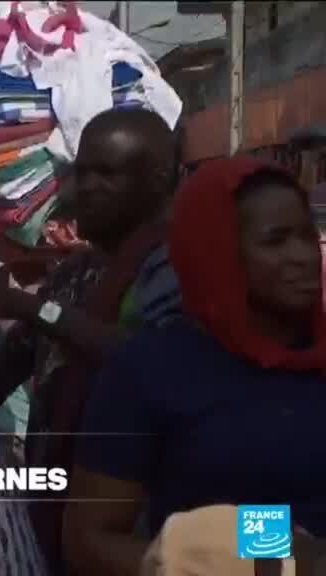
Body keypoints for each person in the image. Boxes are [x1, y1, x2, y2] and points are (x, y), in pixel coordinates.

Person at [0, 107, 183, 573]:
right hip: (60, 529)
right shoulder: (72, 276)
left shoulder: (176, 267)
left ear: (158, 179)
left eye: (104, 173)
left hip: (147, 533)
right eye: (79, 172)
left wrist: (21, 305)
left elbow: (152, 364)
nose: (82, 188)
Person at [63, 157, 326, 576]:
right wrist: (263, 553)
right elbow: (89, 541)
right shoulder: (154, 371)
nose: (303, 256)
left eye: (306, 235)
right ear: (217, 251)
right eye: (275, 241)